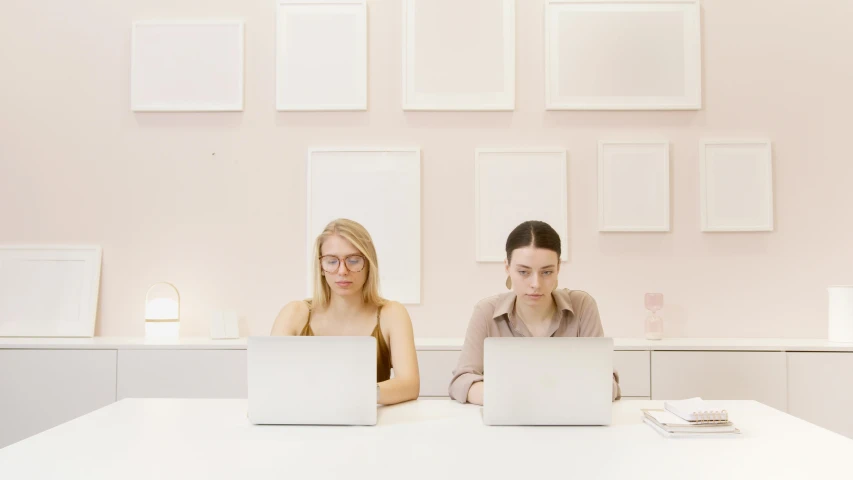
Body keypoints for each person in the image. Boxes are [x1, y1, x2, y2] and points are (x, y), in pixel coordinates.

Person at [449, 220, 621, 404]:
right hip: (508, 421)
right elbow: (461, 382)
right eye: (524, 272)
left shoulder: (583, 306)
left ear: (558, 268)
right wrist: (511, 397)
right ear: (507, 267)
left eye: (546, 272)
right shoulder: (486, 311)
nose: (535, 284)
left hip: (569, 424)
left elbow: (607, 385)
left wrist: (538, 395)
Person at [271, 218, 420, 405]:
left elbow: (410, 385)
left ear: (369, 264)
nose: (342, 270)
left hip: (368, 427)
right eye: (332, 261)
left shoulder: (392, 314)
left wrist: (353, 393)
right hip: (304, 426)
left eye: (354, 260)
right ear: (321, 267)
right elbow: (272, 382)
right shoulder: (294, 314)